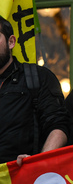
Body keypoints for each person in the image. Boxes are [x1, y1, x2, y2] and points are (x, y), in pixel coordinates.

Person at [0, 15, 68, 165]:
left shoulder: (38, 77)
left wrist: (39, 164)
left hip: (22, 179)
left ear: (11, 42)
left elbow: (58, 127)